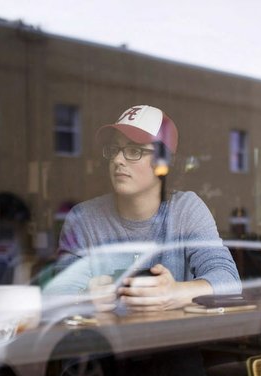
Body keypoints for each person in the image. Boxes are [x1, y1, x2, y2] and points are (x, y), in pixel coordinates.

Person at [55, 104, 241, 310]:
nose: (117, 160)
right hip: (106, 340)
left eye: (134, 150)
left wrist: (174, 293)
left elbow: (229, 281)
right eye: (114, 149)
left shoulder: (185, 209)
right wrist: (85, 297)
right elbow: (58, 295)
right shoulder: (84, 218)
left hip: (173, 340)